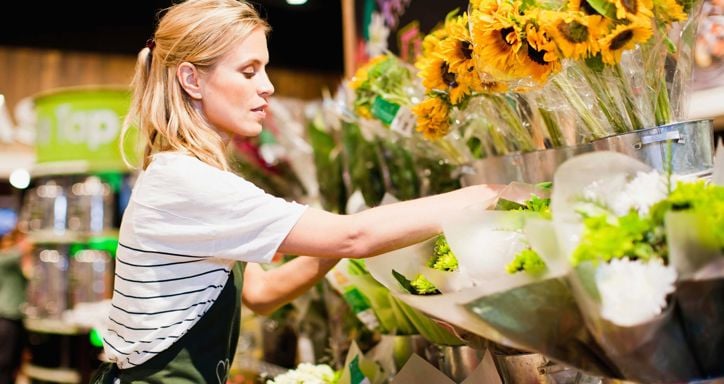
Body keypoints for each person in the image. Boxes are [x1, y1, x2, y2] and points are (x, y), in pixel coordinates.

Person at [94, 0, 502, 382]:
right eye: (249, 71)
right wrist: (490, 192)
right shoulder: (187, 182)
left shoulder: (182, 175)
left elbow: (261, 293)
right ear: (191, 79)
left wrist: (335, 245)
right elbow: (354, 236)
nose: (268, 86)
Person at [0, 225, 31, 384]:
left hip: (17, 317)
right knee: (4, 363)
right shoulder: (4, 259)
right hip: (7, 318)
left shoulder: (15, 264)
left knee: (15, 363)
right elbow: (25, 247)